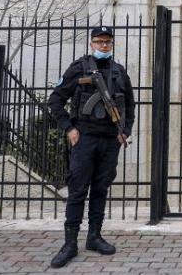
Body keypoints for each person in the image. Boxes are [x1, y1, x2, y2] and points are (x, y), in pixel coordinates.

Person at [47, 26, 135, 269]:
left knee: (100, 189)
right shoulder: (79, 68)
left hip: (110, 140)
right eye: (99, 41)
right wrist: (69, 128)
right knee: (77, 191)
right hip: (84, 138)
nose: (103, 46)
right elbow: (55, 100)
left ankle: (94, 237)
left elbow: (129, 105)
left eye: (107, 42)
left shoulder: (119, 72)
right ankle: (69, 244)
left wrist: (125, 131)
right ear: (91, 43)